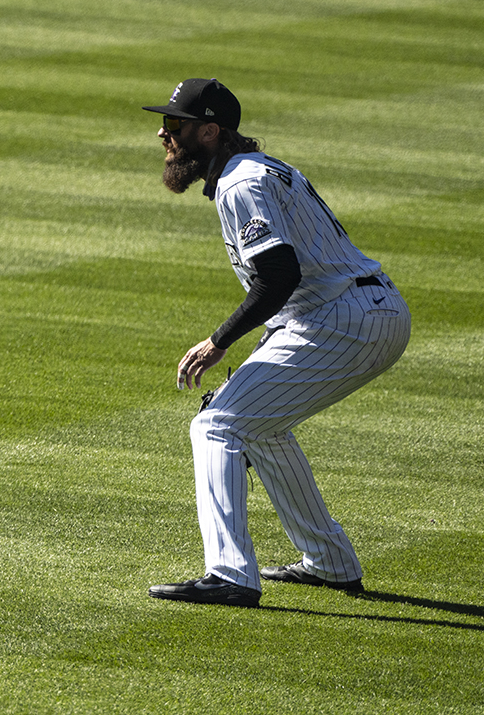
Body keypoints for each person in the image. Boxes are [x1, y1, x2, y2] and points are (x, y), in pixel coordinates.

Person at [142, 78, 411, 608]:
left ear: (211, 131)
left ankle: (230, 575)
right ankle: (330, 563)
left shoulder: (242, 184)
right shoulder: (255, 171)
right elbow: (295, 280)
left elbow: (278, 275)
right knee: (258, 425)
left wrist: (219, 342)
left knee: (217, 424)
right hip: (360, 312)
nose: (162, 133)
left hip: (344, 319)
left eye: (176, 125)